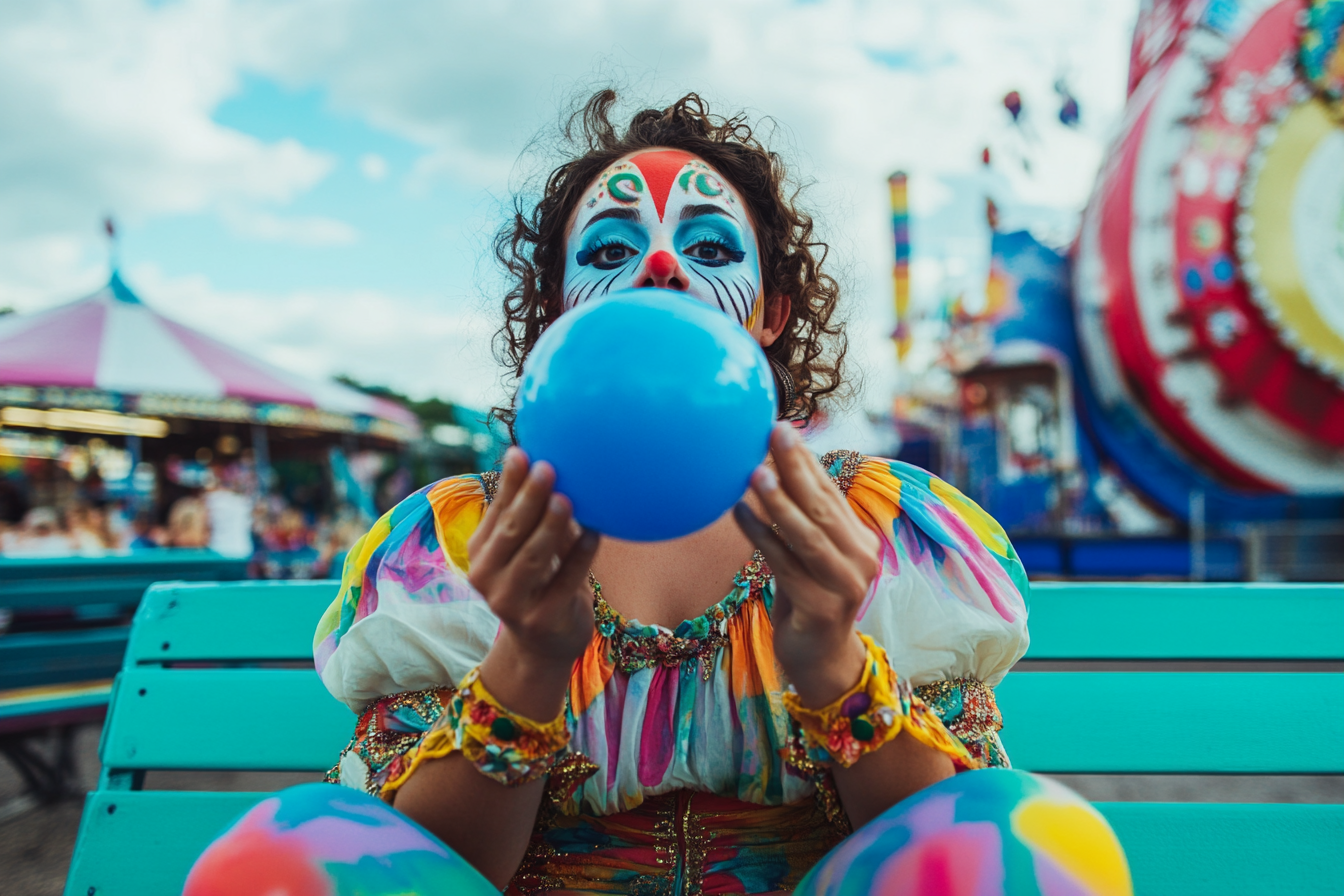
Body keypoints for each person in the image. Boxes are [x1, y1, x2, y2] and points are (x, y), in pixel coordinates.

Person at [308, 93, 1057, 895]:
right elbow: (409, 873)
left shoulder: (878, 528)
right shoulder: (457, 545)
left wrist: (836, 661)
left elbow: (957, 859)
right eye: (606, 253)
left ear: (772, 312)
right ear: (560, 311)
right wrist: (524, 662)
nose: (661, 266)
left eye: (705, 243)